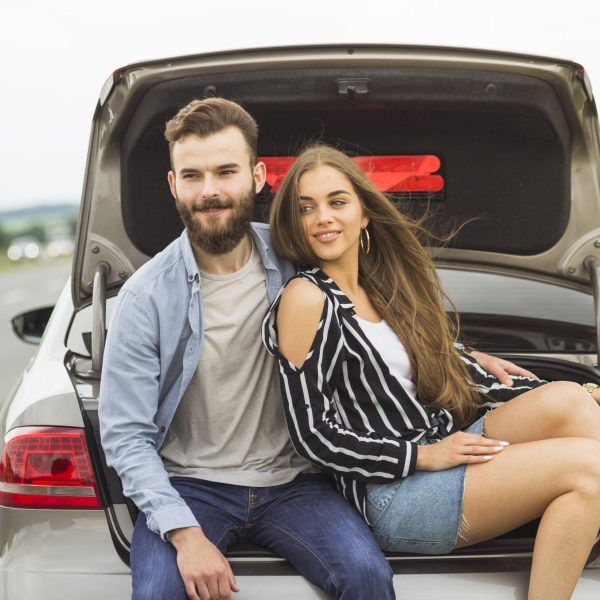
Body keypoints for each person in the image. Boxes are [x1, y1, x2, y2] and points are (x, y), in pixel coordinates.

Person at [99, 97, 541, 600]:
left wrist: (459, 353)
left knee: (368, 579)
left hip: (298, 483)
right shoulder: (145, 297)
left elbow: (375, 312)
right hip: (191, 486)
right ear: (174, 185)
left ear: (258, 176)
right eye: (193, 176)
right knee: (158, 592)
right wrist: (184, 534)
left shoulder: (295, 256)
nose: (211, 191)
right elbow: (126, 438)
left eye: (226, 172)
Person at [263, 143, 600, 600]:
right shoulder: (306, 298)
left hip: (441, 448)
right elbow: (313, 435)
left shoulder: (382, 291)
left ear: (364, 215)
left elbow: (442, 368)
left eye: (337, 201)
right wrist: (422, 457)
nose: (323, 217)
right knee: (592, 469)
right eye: (307, 208)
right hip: (395, 493)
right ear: (294, 223)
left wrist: (491, 366)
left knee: (571, 399)